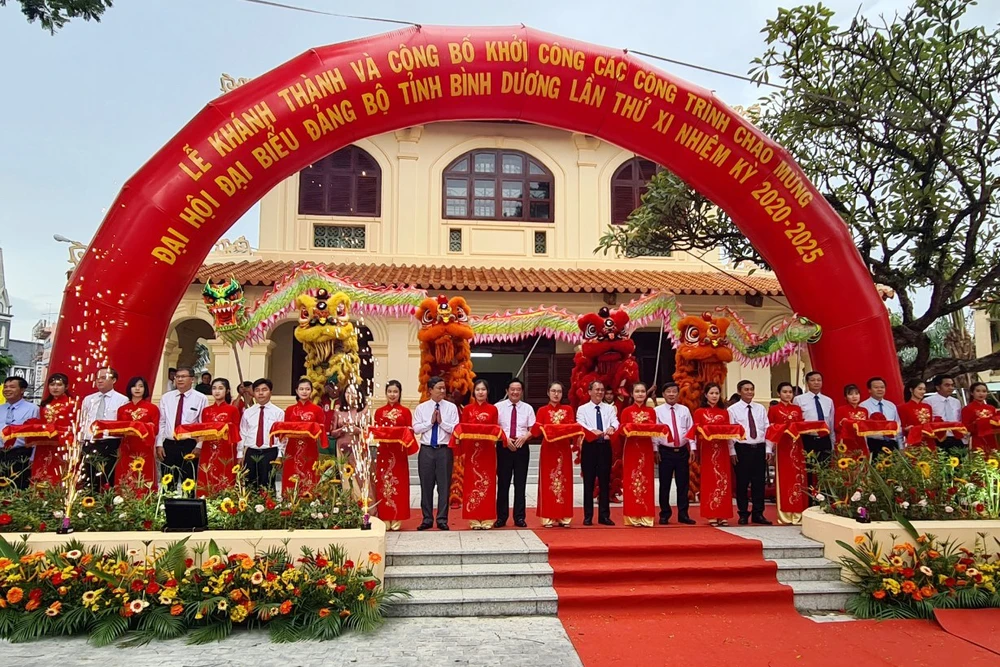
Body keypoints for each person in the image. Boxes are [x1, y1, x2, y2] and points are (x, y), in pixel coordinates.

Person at [413, 376, 459, 530]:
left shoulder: (451, 408)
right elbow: (416, 429)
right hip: (426, 450)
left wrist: (441, 422)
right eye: (439, 388)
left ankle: (442, 519)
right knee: (426, 486)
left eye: (444, 388)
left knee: (444, 486)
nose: (442, 391)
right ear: (430, 390)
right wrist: (430, 422)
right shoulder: (422, 408)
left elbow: (455, 429)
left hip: (444, 450)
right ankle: (427, 519)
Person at [532, 382, 581, 528]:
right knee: (548, 481)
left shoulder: (568, 409)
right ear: (548, 393)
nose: (556, 394)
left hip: (563, 450)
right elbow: (536, 431)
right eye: (553, 391)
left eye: (559, 391)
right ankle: (548, 516)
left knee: (564, 480)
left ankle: (563, 516)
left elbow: (571, 428)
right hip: (548, 450)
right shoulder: (542, 410)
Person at [691, 383, 737, 527]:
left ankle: (723, 514)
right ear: (705, 395)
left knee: (723, 480)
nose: (714, 396)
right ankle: (711, 514)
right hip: (707, 449)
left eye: (717, 393)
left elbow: (729, 433)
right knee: (709, 480)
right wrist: (694, 449)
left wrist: (732, 451)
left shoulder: (724, 412)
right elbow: (695, 431)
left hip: (722, 449)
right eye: (711, 393)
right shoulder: (699, 412)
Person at [729, 380, 772, 526]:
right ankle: (743, 513)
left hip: (759, 448)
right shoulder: (733, 410)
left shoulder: (760, 408)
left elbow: (767, 428)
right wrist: (732, 451)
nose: (749, 392)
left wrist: (768, 448)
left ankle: (758, 513)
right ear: (739, 391)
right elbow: (730, 432)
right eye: (746, 389)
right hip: (742, 449)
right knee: (742, 483)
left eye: (751, 389)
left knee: (759, 482)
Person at [156, 366, 208, 487]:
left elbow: (203, 425)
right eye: (177, 377)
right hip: (169, 444)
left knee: (188, 483)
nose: (179, 379)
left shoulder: (201, 398)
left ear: (192, 379)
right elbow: (162, 422)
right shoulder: (166, 397)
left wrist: (199, 446)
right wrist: (159, 444)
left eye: (183, 377)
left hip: (189, 445)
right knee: (168, 483)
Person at [373, 380, 415, 530]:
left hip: (399, 454)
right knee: (383, 484)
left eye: (395, 392)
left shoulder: (405, 412)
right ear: (386, 393)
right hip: (384, 453)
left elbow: (410, 432)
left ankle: (398, 517)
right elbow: (376, 432)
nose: (392, 394)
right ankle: (385, 517)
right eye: (390, 391)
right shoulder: (379, 412)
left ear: (400, 393)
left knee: (399, 485)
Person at [459, 379, 500, 529]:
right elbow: (463, 429)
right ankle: (473, 518)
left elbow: (495, 429)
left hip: (488, 450)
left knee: (488, 483)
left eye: (483, 389)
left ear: (487, 392)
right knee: (472, 482)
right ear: (473, 392)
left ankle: (487, 518)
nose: (480, 392)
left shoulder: (493, 409)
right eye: (477, 390)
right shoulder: (467, 409)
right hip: (471, 451)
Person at [576, 380, 618, 526]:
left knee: (605, 482)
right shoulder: (582, 409)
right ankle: (588, 516)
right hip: (590, 446)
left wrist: (612, 427)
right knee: (588, 482)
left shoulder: (609, 408)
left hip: (604, 446)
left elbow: (615, 421)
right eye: (597, 389)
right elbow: (580, 423)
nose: (599, 392)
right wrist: (591, 431)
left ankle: (604, 516)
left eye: (601, 390)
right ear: (589, 392)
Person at [79, 367, 129, 491]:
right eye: (97, 378)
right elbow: (82, 421)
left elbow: (123, 425)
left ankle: (107, 500)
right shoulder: (88, 399)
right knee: (88, 476)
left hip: (109, 442)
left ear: (114, 380)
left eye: (103, 378)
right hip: (90, 442)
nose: (99, 381)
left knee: (108, 477)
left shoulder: (122, 400)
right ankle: (89, 499)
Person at [494, 378, 536, 528]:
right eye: (512, 389)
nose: (515, 392)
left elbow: (533, 429)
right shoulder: (498, 407)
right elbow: (494, 428)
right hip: (504, 447)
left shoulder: (528, 408)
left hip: (521, 447)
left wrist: (525, 437)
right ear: (507, 391)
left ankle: (519, 517)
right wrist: (505, 439)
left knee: (520, 483)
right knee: (503, 483)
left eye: (518, 389)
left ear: (522, 392)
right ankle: (501, 517)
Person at [653, 382, 695, 525]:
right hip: (665, 451)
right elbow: (655, 432)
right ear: (663, 394)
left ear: (678, 394)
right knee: (664, 484)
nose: (671, 394)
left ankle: (683, 514)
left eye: (674, 391)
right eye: (668, 391)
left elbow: (690, 429)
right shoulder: (657, 411)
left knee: (683, 484)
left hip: (682, 451)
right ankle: (665, 514)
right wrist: (655, 449)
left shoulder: (684, 410)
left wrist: (693, 448)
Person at [767, 382, 808, 525]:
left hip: (797, 445)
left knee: (798, 476)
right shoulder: (774, 409)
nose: (788, 394)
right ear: (779, 393)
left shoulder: (797, 409)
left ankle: (798, 512)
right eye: (784, 392)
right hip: (782, 446)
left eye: (790, 392)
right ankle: (785, 513)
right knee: (784, 477)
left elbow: (801, 426)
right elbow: (770, 429)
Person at [619, 382, 658, 527]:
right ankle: (632, 516)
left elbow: (654, 429)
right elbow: (622, 431)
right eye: (637, 391)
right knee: (632, 479)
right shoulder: (626, 411)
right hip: (631, 449)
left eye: (642, 391)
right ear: (632, 394)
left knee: (646, 480)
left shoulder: (651, 411)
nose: (640, 394)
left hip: (646, 448)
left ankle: (646, 516)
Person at [115, 377, 159, 496]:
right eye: (134, 386)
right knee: (125, 474)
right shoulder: (122, 409)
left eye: (141, 386)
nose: (137, 389)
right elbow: (118, 429)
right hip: (127, 448)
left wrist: (144, 428)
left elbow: (156, 429)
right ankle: (123, 501)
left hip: (144, 447)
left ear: (145, 389)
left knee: (144, 475)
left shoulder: (152, 408)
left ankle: (144, 501)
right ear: (130, 389)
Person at [238, 378, 285, 489]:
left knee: (268, 485)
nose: (260, 393)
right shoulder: (248, 412)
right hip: (251, 452)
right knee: (249, 485)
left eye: (264, 390)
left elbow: (282, 437)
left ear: (270, 392)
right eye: (257, 390)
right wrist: (240, 454)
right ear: (253, 393)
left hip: (270, 452)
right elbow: (243, 433)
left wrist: (280, 455)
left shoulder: (278, 412)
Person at [282, 377, 326, 495]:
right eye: (301, 389)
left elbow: (322, 429)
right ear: (296, 391)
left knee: (310, 472)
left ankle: (309, 500)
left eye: (307, 389)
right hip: (292, 448)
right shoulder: (290, 410)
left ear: (311, 391)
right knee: (291, 472)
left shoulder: (317, 410)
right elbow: (285, 429)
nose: (304, 391)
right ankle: (290, 499)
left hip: (310, 447)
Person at [30, 373, 75, 488]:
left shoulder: (73, 404)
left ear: (66, 387)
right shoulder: (45, 405)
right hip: (44, 445)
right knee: (41, 471)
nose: (55, 388)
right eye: (52, 384)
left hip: (63, 445)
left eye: (59, 385)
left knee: (59, 473)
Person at [198, 378, 241, 495]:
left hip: (226, 447)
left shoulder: (232, 409)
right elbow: (203, 430)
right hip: (208, 447)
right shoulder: (206, 410)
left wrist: (239, 452)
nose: (217, 391)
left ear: (227, 391)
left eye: (220, 388)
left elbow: (236, 430)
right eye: (214, 388)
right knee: (207, 473)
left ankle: (225, 499)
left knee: (225, 473)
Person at [0, 377, 40, 489]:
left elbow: (37, 435)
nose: (7, 390)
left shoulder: (33, 409)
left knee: (18, 488)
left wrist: (33, 457)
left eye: (12, 387)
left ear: (22, 390)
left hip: (20, 454)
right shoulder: (1, 408)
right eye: (5, 387)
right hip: (1, 453)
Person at [793, 371, 835, 467]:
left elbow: (831, 422)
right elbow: (796, 422)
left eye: (819, 380)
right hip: (808, 439)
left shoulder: (828, 401)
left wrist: (833, 442)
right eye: (812, 380)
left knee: (825, 468)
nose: (816, 382)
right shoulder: (799, 399)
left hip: (824, 439)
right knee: (809, 468)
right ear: (807, 382)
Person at [860, 377, 901, 457]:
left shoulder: (891, 405)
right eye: (876, 387)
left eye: (882, 387)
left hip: (891, 443)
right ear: (869, 390)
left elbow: (898, 426)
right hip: (874, 443)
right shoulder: (863, 406)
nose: (880, 389)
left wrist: (901, 446)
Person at [924, 374, 964, 452]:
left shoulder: (956, 402)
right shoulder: (928, 401)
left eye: (952, 385)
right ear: (938, 387)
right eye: (947, 385)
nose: (951, 388)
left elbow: (958, 419)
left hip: (955, 437)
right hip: (938, 438)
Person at [834, 385, 871, 458]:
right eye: (850, 394)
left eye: (856, 394)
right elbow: (836, 428)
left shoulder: (864, 410)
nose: (854, 396)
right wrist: (842, 423)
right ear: (845, 397)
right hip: (846, 443)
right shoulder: (841, 410)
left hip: (861, 442)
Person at [899, 379, 936, 450]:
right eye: (920, 389)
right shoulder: (902, 408)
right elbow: (900, 428)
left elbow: (930, 424)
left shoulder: (928, 407)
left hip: (929, 442)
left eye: (924, 389)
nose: (923, 392)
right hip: (913, 442)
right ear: (911, 390)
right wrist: (906, 429)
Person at [963, 382, 998, 454]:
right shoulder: (967, 409)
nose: (981, 394)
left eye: (984, 391)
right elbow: (965, 427)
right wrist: (977, 423)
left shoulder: (991, 408)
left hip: (992, 438)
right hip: (977, 439)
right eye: (978, 391)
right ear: (972, 393)